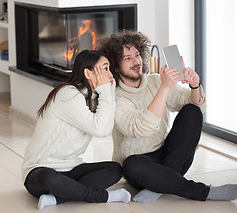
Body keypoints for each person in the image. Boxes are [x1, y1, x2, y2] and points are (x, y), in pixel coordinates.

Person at [97, 29, 237, 203]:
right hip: (141, 166)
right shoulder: (116, 97)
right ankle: (204, 191)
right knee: (131, 165)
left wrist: (195, 85)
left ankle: (159, 185)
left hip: (170, 157)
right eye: (128, 58)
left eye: (137, 55)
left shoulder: (155, 81)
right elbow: (140, 128)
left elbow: (198, 105)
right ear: (115, 67)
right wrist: (164, 88)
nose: (136, 61)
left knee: (191, 111)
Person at [22, 49, 131, 210]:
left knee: (114, 169)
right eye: (105, 68)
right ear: (88, 73)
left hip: (71, 168)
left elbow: (106, 129)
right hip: (39, 170)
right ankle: (103, 196)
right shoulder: (68, 94)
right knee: (49, 179)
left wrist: (107, 91)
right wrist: (107, 91)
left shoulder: (96, 97)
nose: (110, 75)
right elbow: (100, 129)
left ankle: (59, 198)